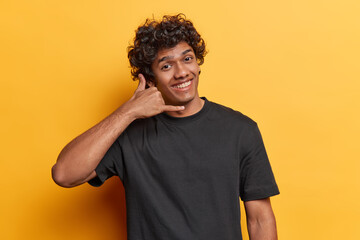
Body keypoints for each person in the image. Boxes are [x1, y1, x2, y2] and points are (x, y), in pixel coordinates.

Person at [52, 13, 280, 240]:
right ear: (150, 80)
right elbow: (64, 174)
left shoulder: (240, 130)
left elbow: (260, 218)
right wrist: (127, 111)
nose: (181, 72)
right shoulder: (129, 135)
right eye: (167, 65)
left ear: (198, 64)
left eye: (187, 59)